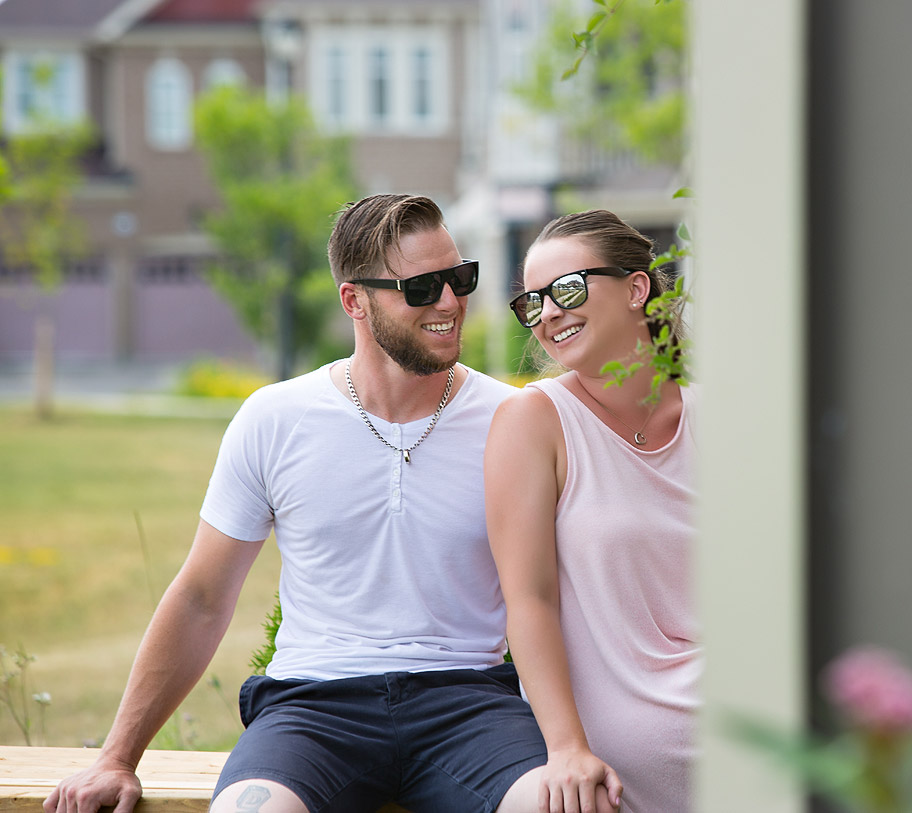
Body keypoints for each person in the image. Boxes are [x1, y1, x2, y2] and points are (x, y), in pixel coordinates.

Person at [45, 194, 618, 813]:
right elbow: (202, 598)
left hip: (469, 703)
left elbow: (568, 585)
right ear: (355, 301)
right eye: (422, 287)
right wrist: (116, 758)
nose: (451, 302)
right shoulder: (275, 418)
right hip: (313, 709)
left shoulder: (511, 420)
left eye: (460, 278)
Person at [484, 210, 700, 813]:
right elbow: (527, 599)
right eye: (533, 303)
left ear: (637, 288)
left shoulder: (721, 416)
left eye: (569, 289)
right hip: (615, 769)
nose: (548, 313)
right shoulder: (534, 421)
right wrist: (567, 748)